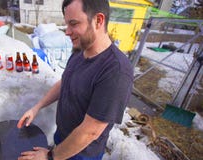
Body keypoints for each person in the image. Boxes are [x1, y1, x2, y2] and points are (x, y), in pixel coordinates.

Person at [17, 0, 133, 159]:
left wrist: (50, 157)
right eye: (67, 24)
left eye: (74, 24)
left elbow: (91, 131)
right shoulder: (80, 51)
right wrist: (37, 107)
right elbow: (65, 82)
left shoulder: (116, 71)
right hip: (62, 139)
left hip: (82, 153)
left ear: (98, 20)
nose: (67, 32)